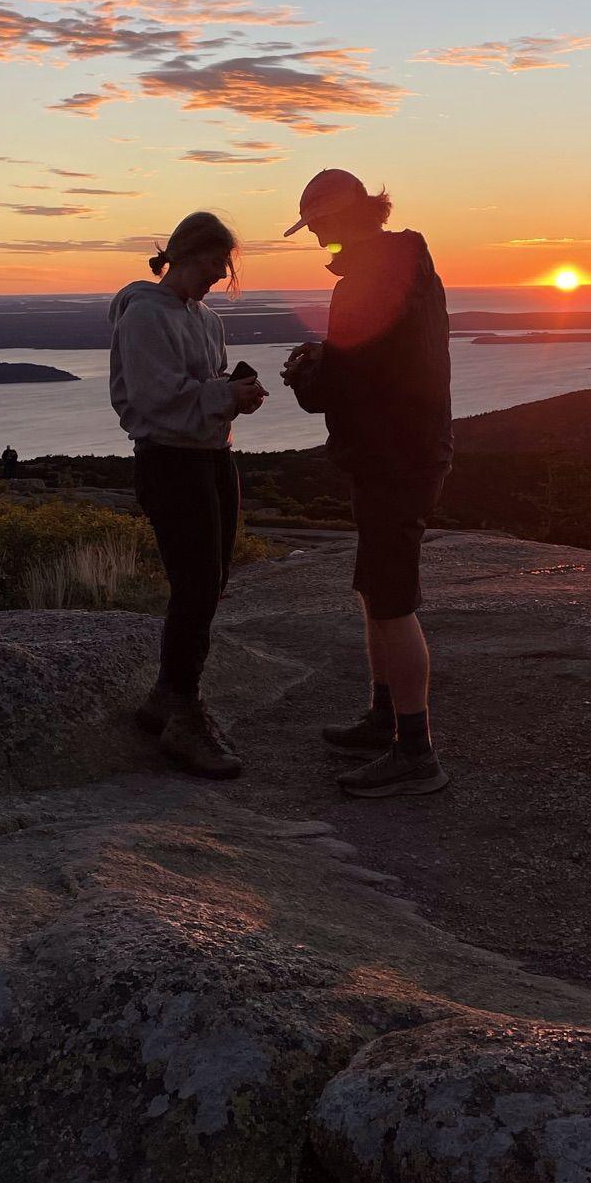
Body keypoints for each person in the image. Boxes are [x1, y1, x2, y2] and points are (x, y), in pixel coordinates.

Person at [280, 170, 453, 798]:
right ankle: (385, 718)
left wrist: (307, 375)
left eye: (320, 227)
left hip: (393, 460)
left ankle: (416, 751)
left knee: (391, 599)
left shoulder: (362, 283)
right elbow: (381, 362)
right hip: (409, 451)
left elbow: (342, 388)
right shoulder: (409, 263)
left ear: (342, 220)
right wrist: (330, 361)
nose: (319, 240)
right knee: (374, 589)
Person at [108, 211, 268, 778]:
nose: (219, 278)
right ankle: (182, 711)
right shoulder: (144, 317)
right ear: (184, 255)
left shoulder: (204, 320)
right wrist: (225, 396)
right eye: (214, 266)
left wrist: (233, 394)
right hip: (171, 463)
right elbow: (157, 400)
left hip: (212, 458)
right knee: (195, 584)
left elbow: (204, 389)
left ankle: (164, 699)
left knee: (212, 581)